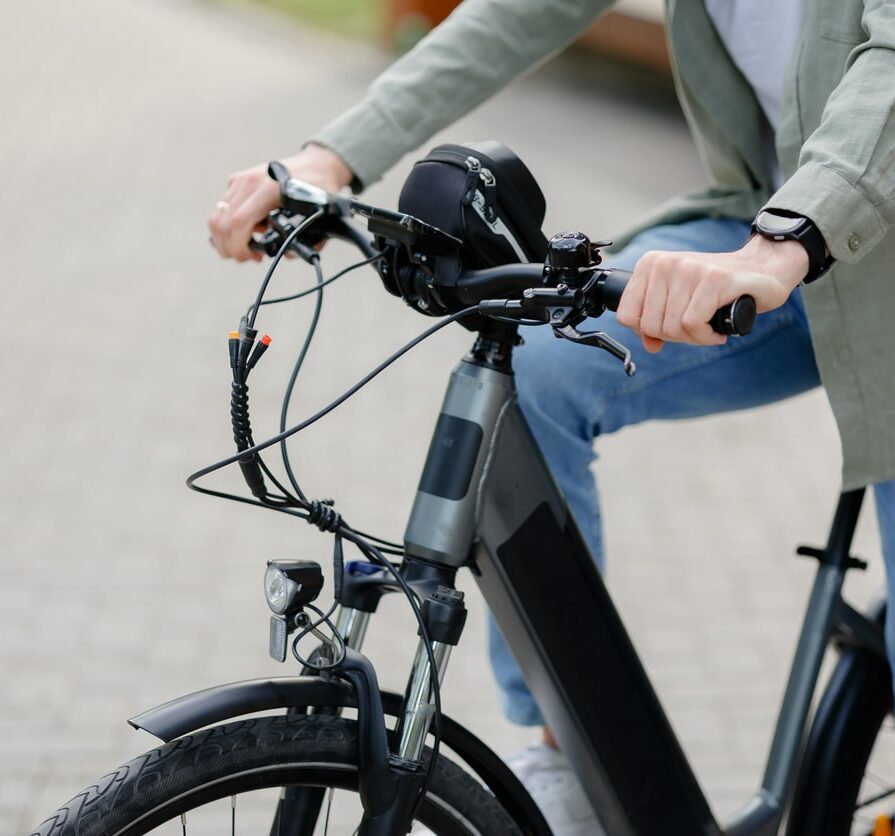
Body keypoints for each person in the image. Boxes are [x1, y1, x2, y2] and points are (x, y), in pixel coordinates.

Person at [209, 1, 895, 833]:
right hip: (764, 237)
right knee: (534, 370)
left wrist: (781, 242)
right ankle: (565, 766)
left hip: (828, 239)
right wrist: (330, 159)